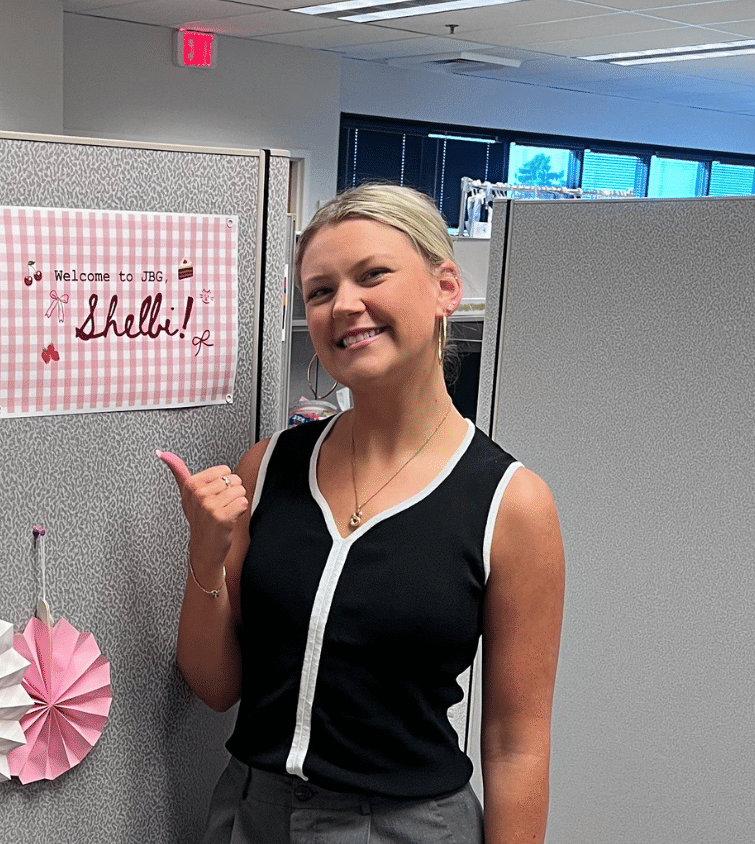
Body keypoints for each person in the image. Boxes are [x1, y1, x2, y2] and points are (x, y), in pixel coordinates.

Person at [158, 183, 564, 844]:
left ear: (445, 288)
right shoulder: (268, 469)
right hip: (252, 812)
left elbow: (517, 743)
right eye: (320, 291)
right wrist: (205, 556)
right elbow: (215, 685)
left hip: (407, 825)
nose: (345, 304)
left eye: (372, 275)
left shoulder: (510, 503)